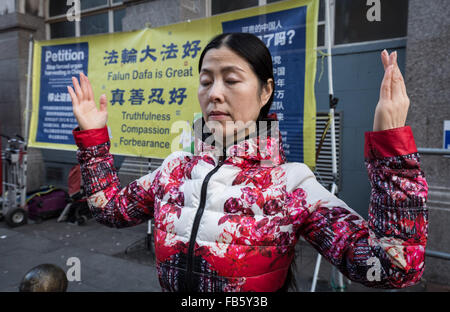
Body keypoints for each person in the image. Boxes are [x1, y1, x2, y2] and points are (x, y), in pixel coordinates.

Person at [68, 33, 428, 292]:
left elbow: (391, 268)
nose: (215, 93)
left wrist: (392, 149)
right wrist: (94, 140)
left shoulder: (291, 186)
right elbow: (109, 211)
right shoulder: (174, 169)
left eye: (231, 79)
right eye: (206, 81)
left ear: (265, 91)